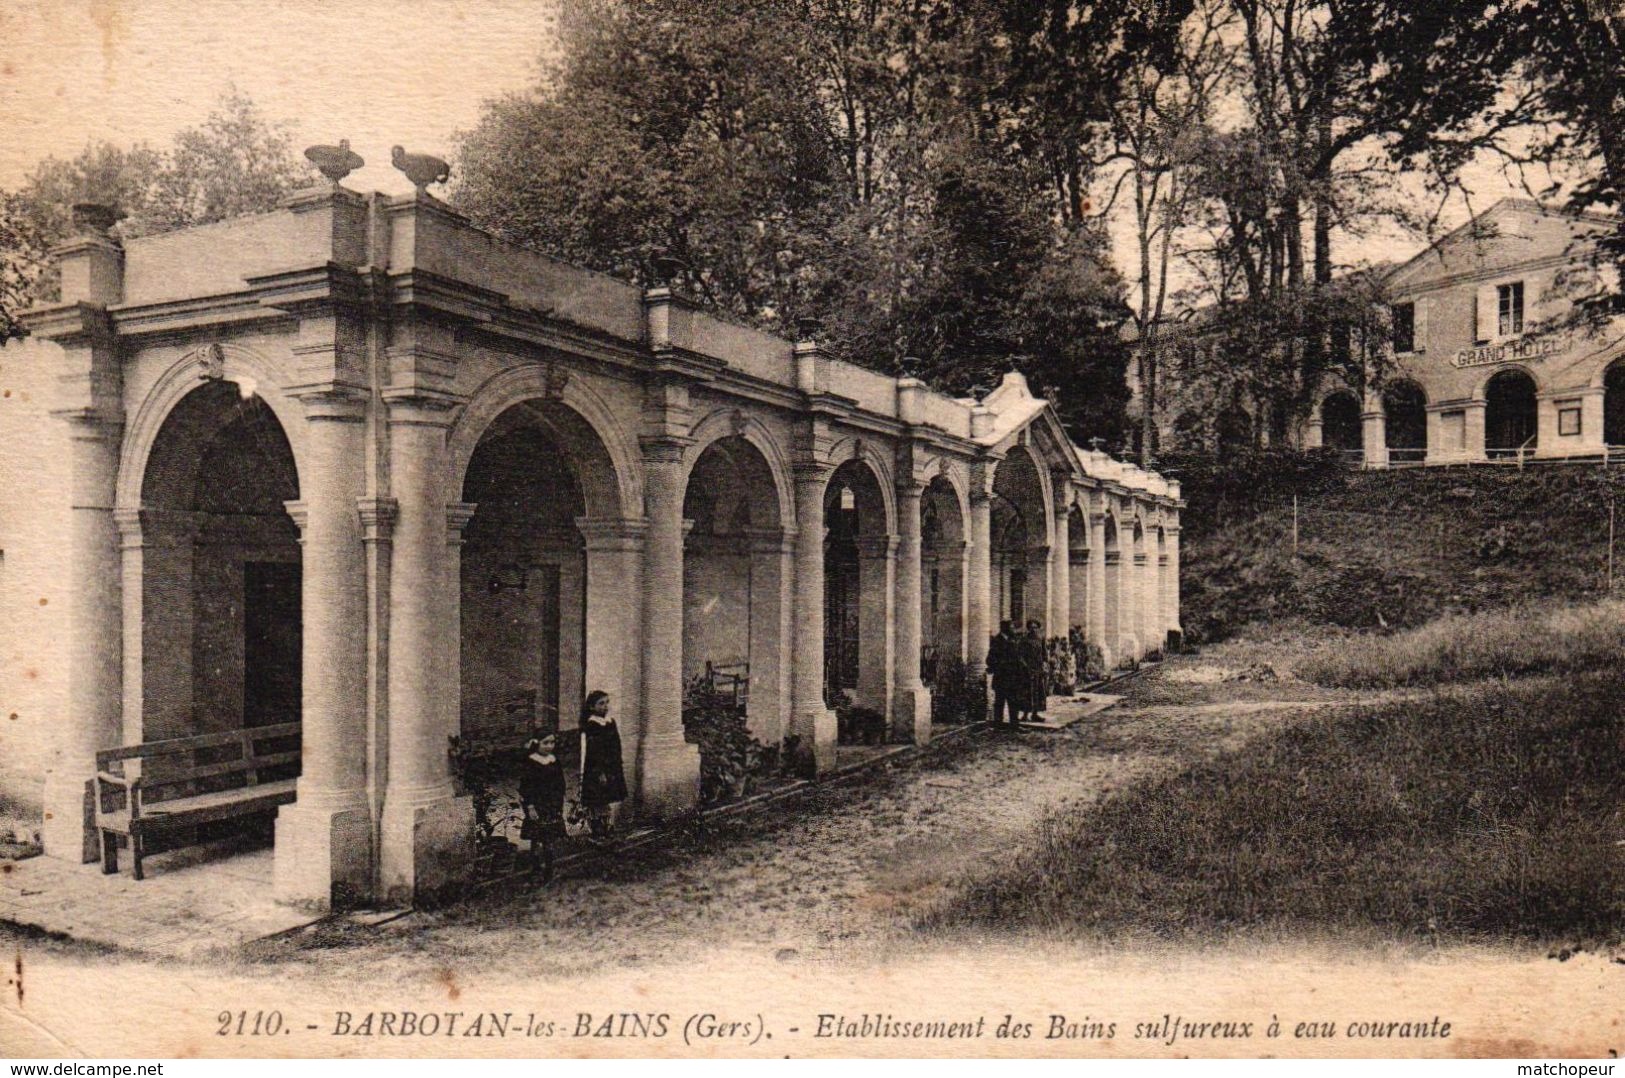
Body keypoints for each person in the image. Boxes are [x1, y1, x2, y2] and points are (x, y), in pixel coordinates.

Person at [578, 689, 627, 841]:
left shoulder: (610, 722)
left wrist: (617, 763)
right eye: (601, 703)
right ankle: (597, 831)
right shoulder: (592, 725)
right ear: (592, 707)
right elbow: (594, 752)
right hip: (598, 769)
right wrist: (599, 772)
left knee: (607, 798)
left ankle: (606, 829)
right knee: (598, 800)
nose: (605, 706)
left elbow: (616, 745)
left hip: (612, 766)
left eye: (607, 703)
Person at [517, 729, 565, 880]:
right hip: (537, 805)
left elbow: (560, 783)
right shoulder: (531, 762)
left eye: (552, 742)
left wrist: (559, 803)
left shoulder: (554, 760)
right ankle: (536, 868)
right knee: (537, 837)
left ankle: (549, 869)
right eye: (545, 743)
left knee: (549, 838)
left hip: (552, 804)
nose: (549, 746)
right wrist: (530, 806)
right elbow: (526, 786)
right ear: (537, 743)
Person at [987, 620, 1020, 726]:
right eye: (1011, 627)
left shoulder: (1012, 639)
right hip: (1001, 677)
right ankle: (998, 724)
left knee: (1014, 701)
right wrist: (1002, 665)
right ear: (1005, 628)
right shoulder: (997, 641)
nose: (1013, 629)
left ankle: (1014, 724)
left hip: (1012, 677)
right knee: (999, 701)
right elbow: (990, 659)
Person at [1019, 619, 1048, 722]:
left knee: (1038, 692)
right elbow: (1020, 655)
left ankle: (1035, 714)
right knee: (1027, 692)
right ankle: (1025, 714)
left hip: (1038, 669)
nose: (1033, 629)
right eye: (1031, 627)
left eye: (1035, 627)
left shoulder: (1041, 639)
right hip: (1028, 670)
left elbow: (1044, 653)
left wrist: (1044, 664)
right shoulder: (1024, 640)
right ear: (1028, 628)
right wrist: (1026, 667)